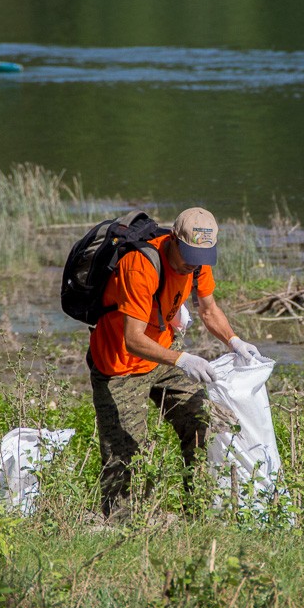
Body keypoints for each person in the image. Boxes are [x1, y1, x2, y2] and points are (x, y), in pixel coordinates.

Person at [86, 207, 264, 519]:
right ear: (173, 240)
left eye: (202, 256)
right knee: (125, 455)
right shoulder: (140, 265)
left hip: (164, 352)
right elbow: (133, 339)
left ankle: (197, 514)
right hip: (119, 366)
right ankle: (120, 528)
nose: (194, 263)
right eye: (189, 255)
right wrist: (183, 359)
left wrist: (234, 341)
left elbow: (208, 309)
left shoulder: (199, 261)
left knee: (206, 423)